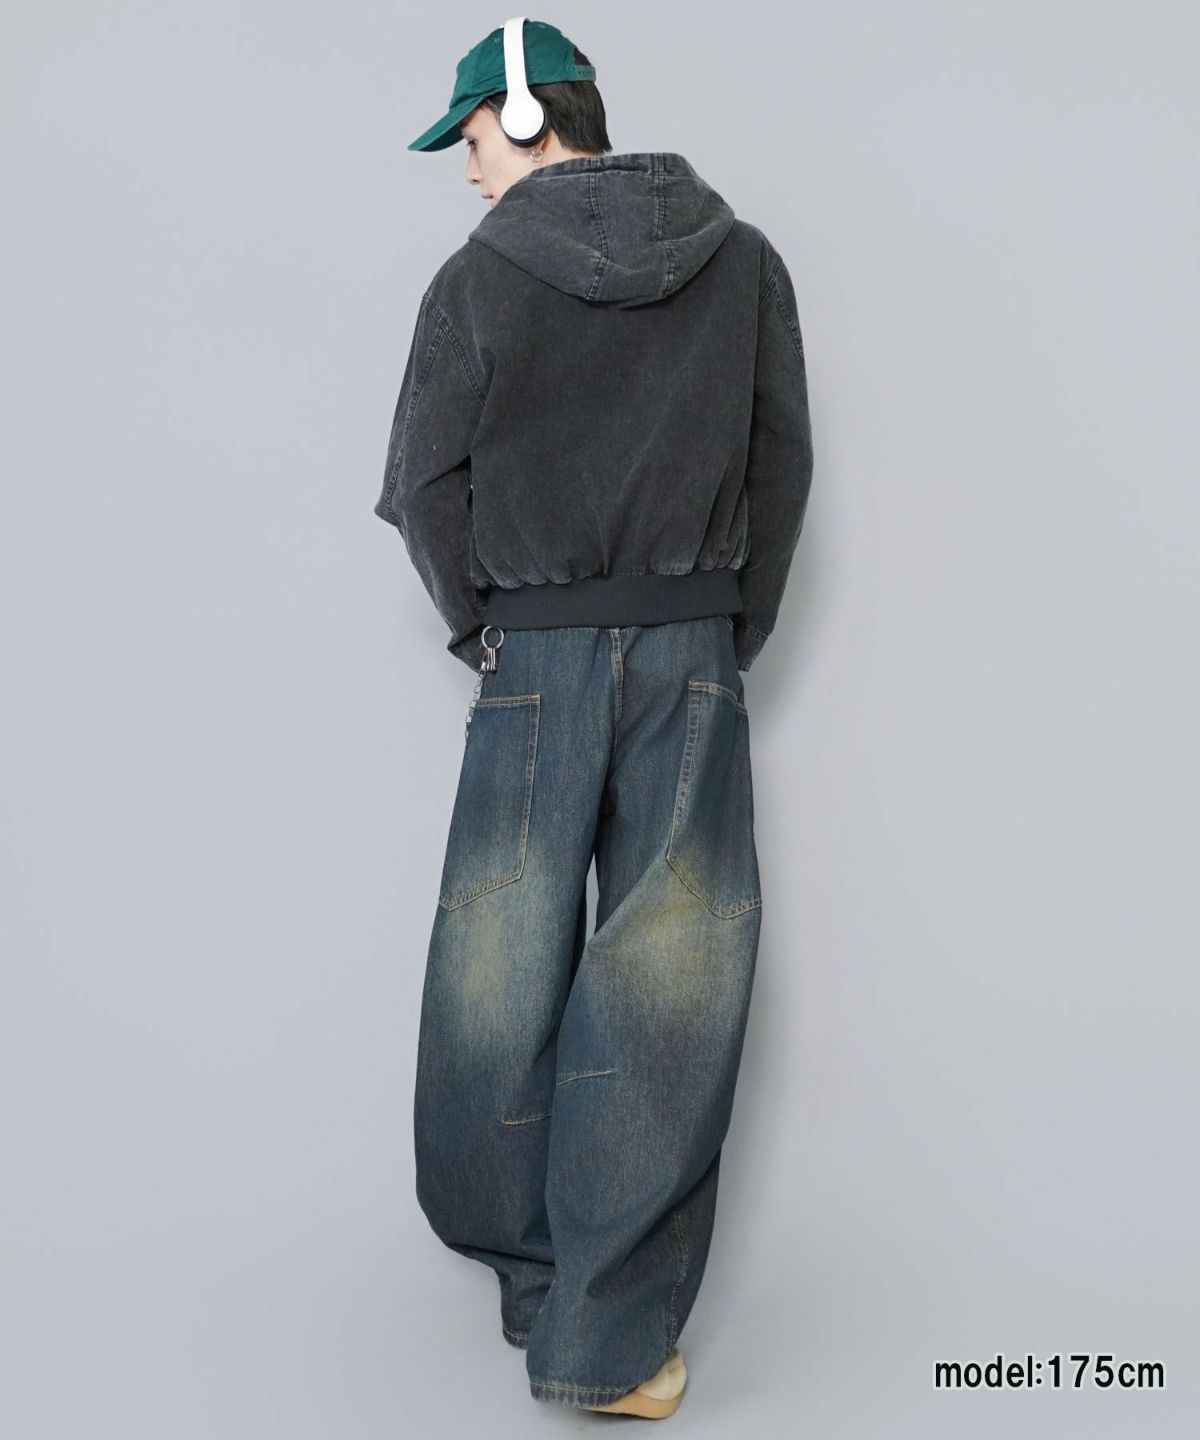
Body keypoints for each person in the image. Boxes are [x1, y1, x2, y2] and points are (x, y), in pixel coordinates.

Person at [374, 17, 814, 1419]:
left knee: (495, 976)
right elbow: (782, 467)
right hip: (691, 650)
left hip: (537, 661)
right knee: (668, 990)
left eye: (471, 140)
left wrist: (488, 627)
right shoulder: (745, 262)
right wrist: (722, 632)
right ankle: (607, 1336)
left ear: (525, 116)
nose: (467, 172)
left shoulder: (474, 279)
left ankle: (534, 1286)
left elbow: (420, 483)